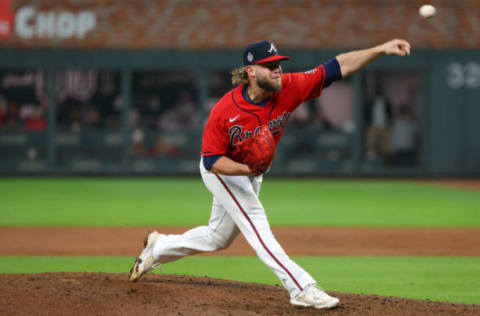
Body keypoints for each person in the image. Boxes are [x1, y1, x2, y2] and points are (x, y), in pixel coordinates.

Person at [129, 39, 411, 309]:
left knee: (218, 237)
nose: (278, 69)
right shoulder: (225, 111)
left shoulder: (291, 86)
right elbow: (212, 160)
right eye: (270, 65)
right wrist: (247, 169)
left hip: (250, 171)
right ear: (250, 72)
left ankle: (160, 246)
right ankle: (301, 288)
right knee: (256, 224)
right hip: (224, 170)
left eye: (279, 64)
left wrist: (381, 49)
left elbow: (339, 66)